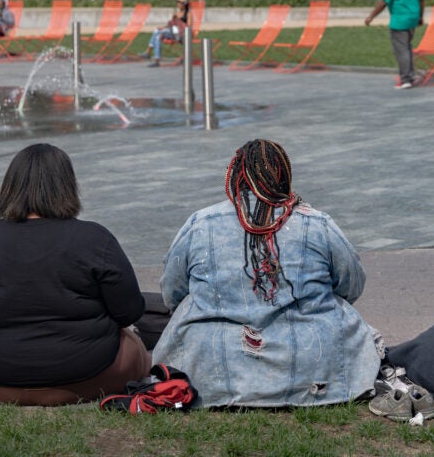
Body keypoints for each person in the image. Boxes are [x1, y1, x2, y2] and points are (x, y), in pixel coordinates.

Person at [152, 139, 381, 408]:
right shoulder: (317, 223)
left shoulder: (201, 223)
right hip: (312, 369)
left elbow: (173, 290)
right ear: (284, 176)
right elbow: (351, 284)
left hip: (212, 372)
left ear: (235, 176)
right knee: (341, 311)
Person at [0, 144, 150, 406]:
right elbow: (129, 312)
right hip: (87, 376)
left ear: (9, 187)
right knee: (133, 344)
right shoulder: (95, 239)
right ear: (67, 186)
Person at [365, 0, 425, 90]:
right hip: (412, 18)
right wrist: (421, 17)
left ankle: (406, 79)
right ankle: (410, 75)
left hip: (400, 20)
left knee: (401, 50)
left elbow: (383, 2)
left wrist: (371, 16)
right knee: (407, 47)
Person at [141, 0, 190, 67]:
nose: (178, 4)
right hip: (173, 31)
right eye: (177, 2)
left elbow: (189, 26)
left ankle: (151, 55)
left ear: (184, 4)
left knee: (158, 35)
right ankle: (154, 57)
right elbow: (171, 25)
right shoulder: (176, 14)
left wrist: (179, 23)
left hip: (180, 34)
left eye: (180, 2)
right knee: (157, 31)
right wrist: (163, 27)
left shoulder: (188, 14)